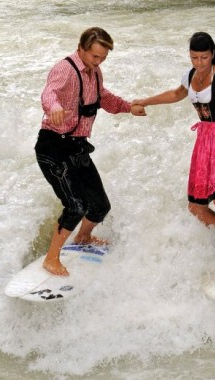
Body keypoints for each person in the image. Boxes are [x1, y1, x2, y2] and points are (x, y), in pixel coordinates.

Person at [134, 32, 215, 278]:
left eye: (203, 57)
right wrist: (145, 101)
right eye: (194, 57)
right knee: (196, 206)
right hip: (205, 141)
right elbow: (175, 94)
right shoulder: (190, 75)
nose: (199, 62)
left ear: (212, 54)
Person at [36, 27, 146, 276]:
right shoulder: (65, 68)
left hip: (76, 146)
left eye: (103, 58)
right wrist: (53, 107)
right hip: (53, 146)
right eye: (95, 57)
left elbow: (103, 98)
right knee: (75, 205)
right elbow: (49, 92)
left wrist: (130, 108)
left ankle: (83, 238)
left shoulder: (94, 73)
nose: (98, 62)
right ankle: (51, 258)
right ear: (81, 49)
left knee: (99, 206)